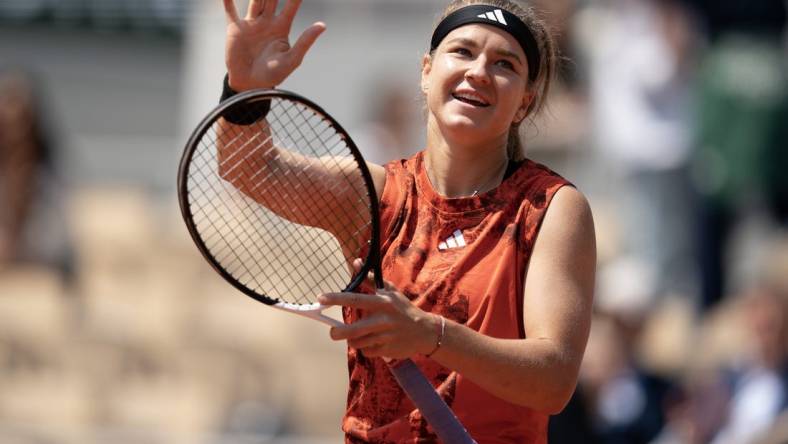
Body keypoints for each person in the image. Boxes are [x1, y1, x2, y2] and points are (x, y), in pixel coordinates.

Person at [218, 0, 596, 442]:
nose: (478, 71)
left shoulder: (550, 206)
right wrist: (243, 89)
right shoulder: (377, 195)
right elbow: (248, 167)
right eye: (463, 52)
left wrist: (429, 334)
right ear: (425, 71)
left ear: (524, 104)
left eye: (504, 64)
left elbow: (553, 382)